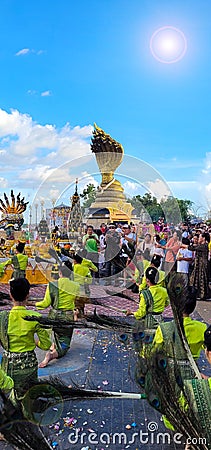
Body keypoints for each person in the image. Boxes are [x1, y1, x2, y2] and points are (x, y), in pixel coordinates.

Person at [0, 278, 51, 397]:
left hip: (9, 367)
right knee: (29, 397)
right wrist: (34, 341)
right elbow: (46, 345)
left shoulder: (2, 317)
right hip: (29, 366)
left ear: (10, 295)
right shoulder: (35, 317)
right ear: (28, 295)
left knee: (11, 399)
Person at [35, 262, 80, 367]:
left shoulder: (52, 285)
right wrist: (76, 313)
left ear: (60, 272)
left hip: (53, 317)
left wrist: (34, 304)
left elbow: (45, 304)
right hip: (67, 317)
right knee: (65, 342)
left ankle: (52, 346)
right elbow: (77, 302)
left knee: (54, 332)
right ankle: (52, 355)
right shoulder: (76, 286)